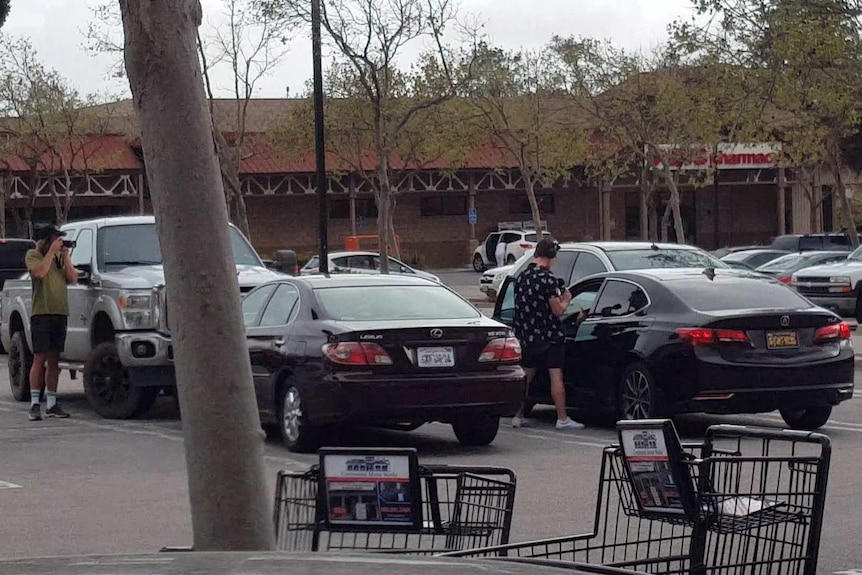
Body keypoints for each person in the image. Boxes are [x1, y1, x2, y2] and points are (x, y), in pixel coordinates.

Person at [511, 238, 584, 430]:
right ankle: (562, 418)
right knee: (555, 376)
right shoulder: (548, 279)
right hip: (549, 336)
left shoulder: (521, 277)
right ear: (550, 256)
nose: (555, 261)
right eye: (555, 257)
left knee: (526, 376)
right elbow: (557, 310)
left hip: (527, 335)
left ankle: (517, 415)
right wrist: (566, 299)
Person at [25, 223, 78, 421]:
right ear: (47, 240)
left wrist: (65, 256)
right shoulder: (33, 255)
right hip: (41, 313)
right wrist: (51, 254)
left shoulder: (59, 258)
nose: (59, 242)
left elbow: (72, 278)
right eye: (56, 238)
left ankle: (52, 403)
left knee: (54, 360)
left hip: (59, 313)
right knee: (39, 358)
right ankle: (34, 403)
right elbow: (39, 273)